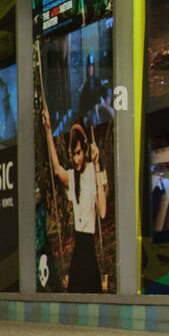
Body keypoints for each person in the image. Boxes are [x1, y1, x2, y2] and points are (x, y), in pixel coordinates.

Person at [40, 102, 108, 293]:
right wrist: (48, 130)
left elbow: (102, 212)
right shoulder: (73, 176)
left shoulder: (94, 172)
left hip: (89, 244)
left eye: (78, 153)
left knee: (91, 293)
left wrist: (96, 165)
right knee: (76, 294)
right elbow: (56, 168)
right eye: (73, 154)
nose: (76, 158)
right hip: (79, 245)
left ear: (85, 151)